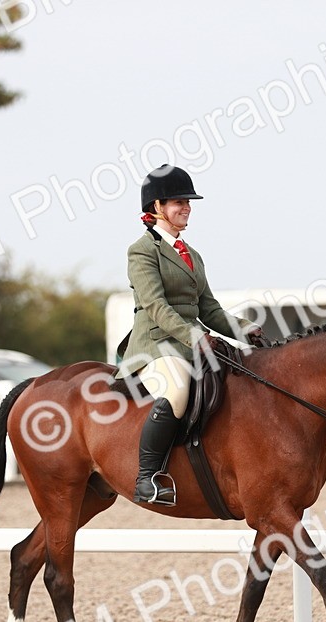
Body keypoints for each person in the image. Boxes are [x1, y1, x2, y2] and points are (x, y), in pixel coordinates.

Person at [115, 164, 270, 506]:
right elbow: (155, 306)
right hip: (154, 345)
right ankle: (147, 478)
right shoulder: (142, 251)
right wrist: (193, 336)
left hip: (190, 343)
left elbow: (209, 309)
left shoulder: (192, 255)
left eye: (188, 201)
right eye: (178, 201)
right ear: (156, 207)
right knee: (178, 388)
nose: (186, 206)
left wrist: (246, 331)